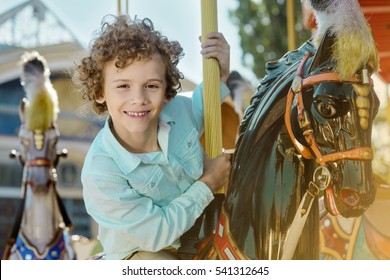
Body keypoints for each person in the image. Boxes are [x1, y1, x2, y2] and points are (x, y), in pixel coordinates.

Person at [72, 15, 231, 260]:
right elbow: (155, 233)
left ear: (167, 92)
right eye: (123, 86)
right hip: (143, 250)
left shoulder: (180, 112)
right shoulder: (100, 172)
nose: (139, 99)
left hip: (201, 238)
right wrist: (208, 182)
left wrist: (219, 71)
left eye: (152, 86)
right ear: (100, 92)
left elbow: (206, 99)